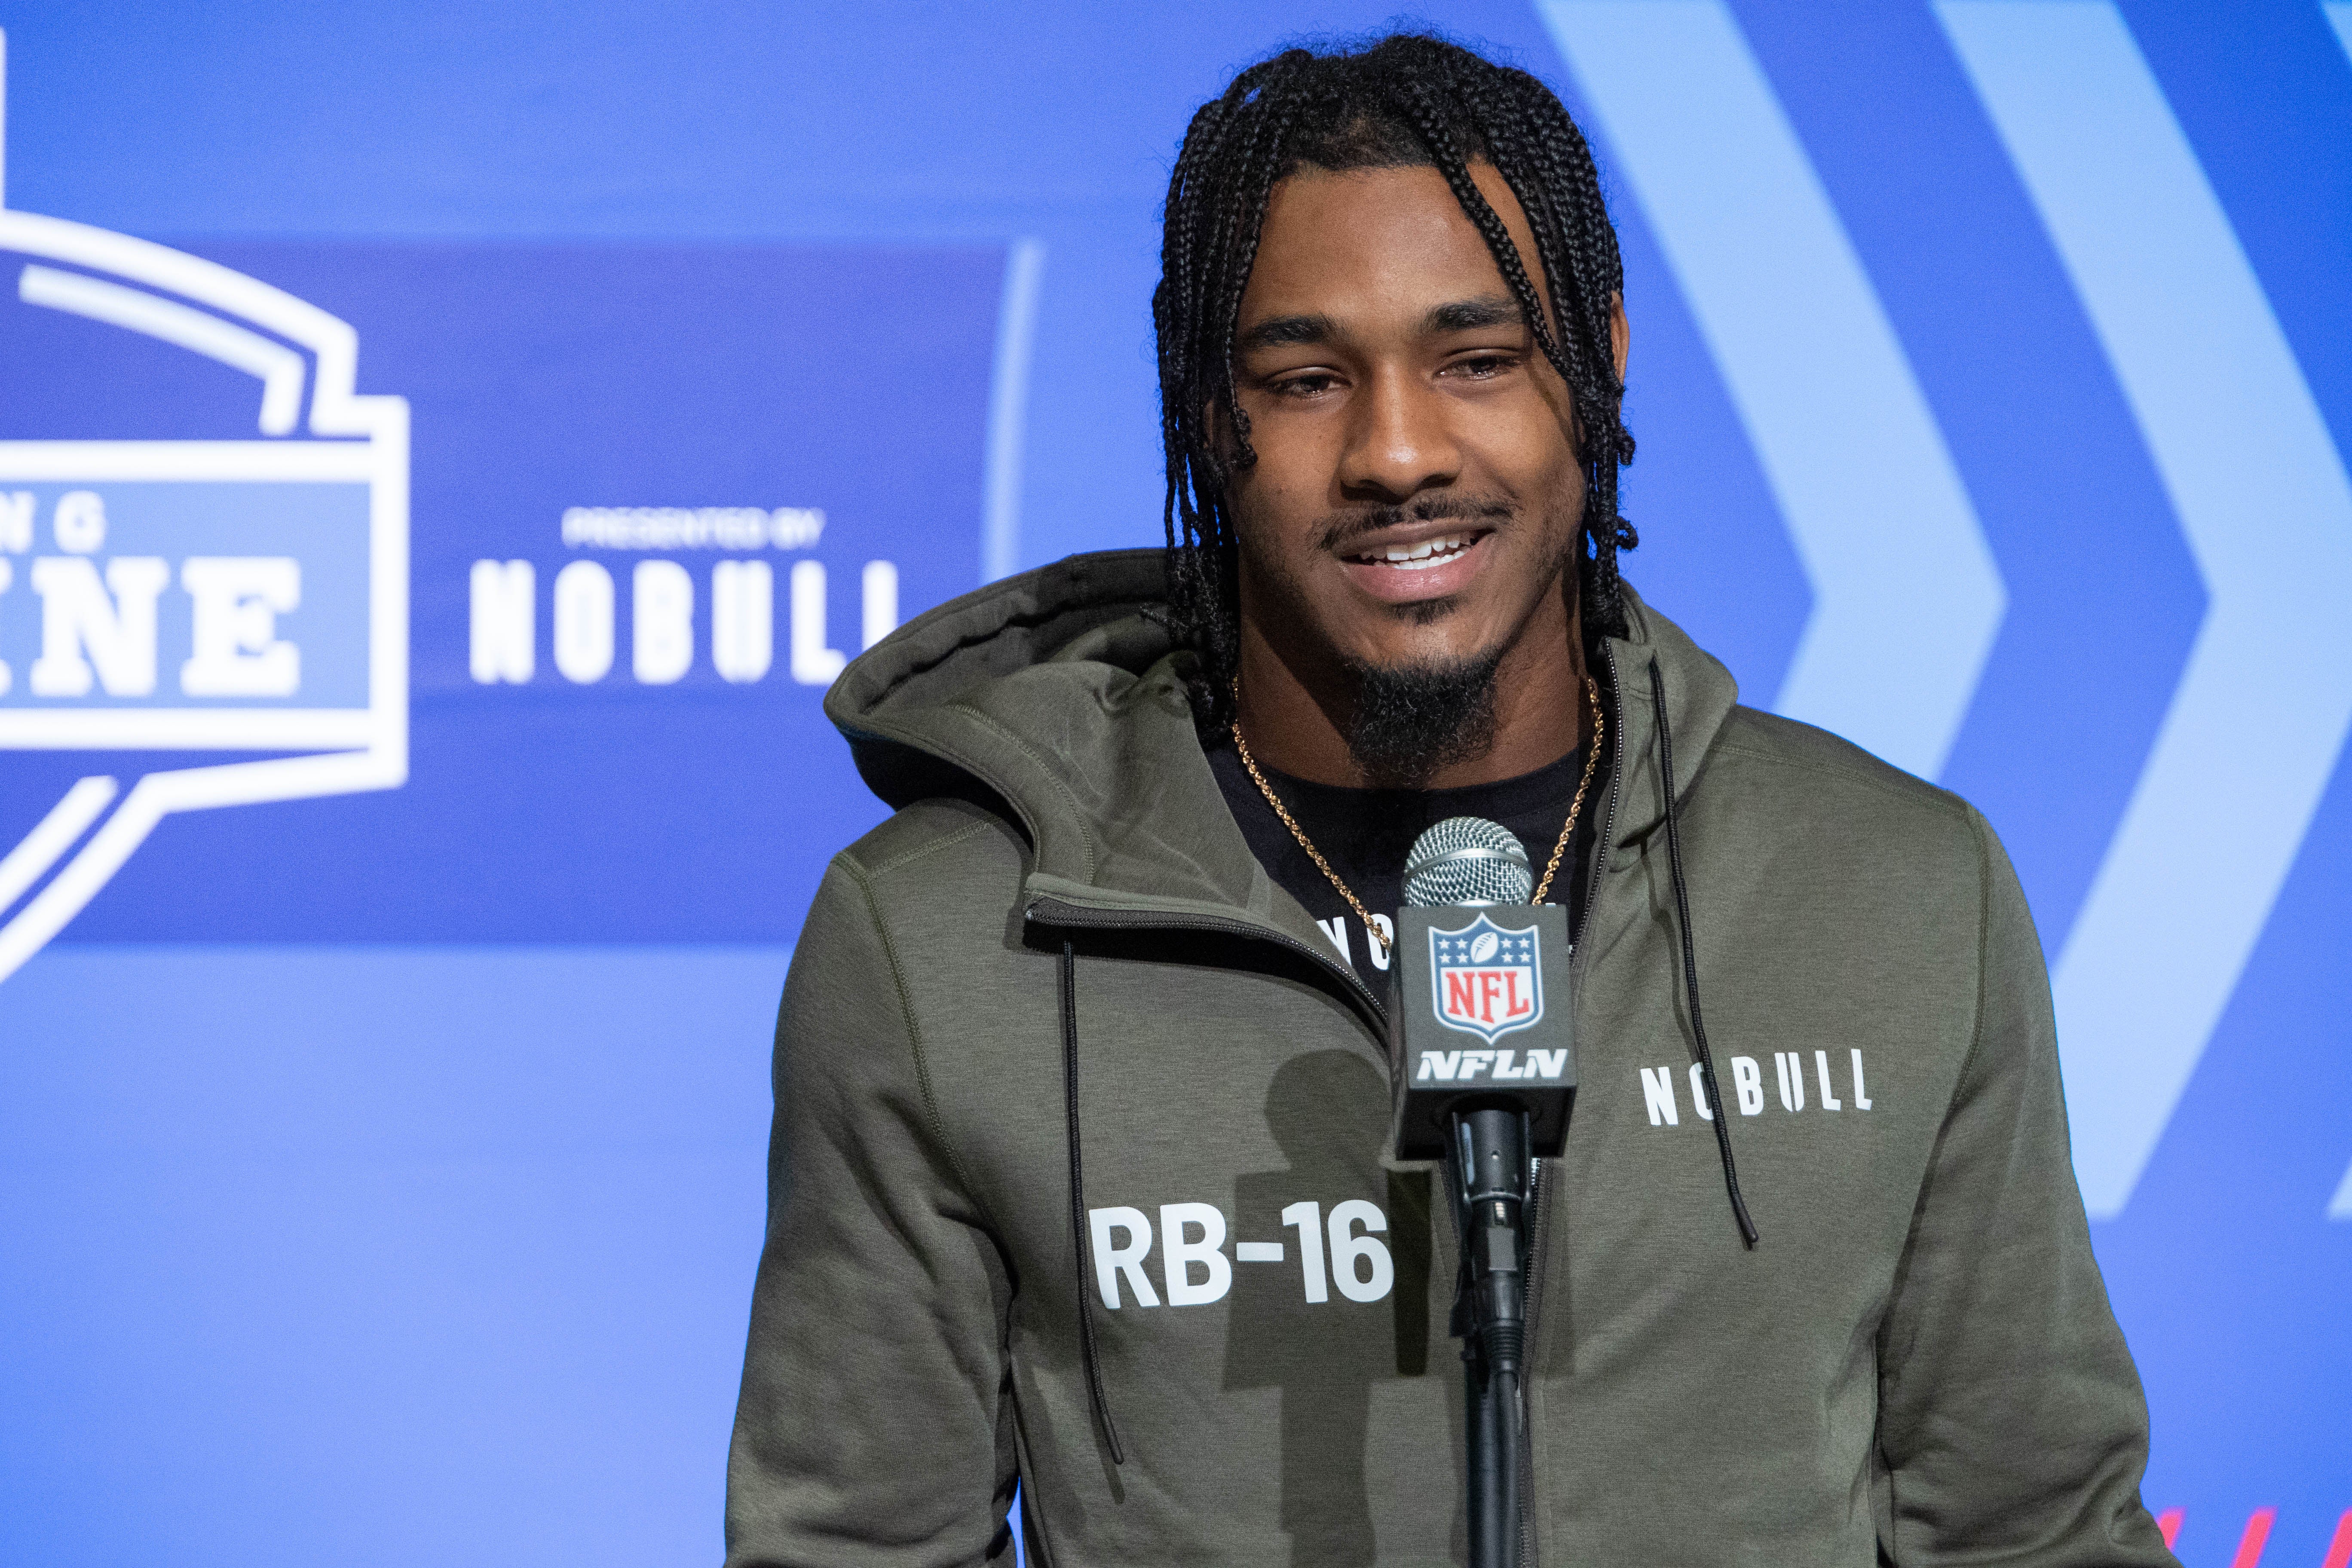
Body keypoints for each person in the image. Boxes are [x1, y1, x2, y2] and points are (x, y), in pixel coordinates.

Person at [726, 33, 2176, 1567]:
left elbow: (2035, 1525)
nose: (1398, 452)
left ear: (1600, 362)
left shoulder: (1899, 891)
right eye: (1305, 380)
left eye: (1476, 360)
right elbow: (853, 1544)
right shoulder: (941, 943)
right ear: (1211, 422)